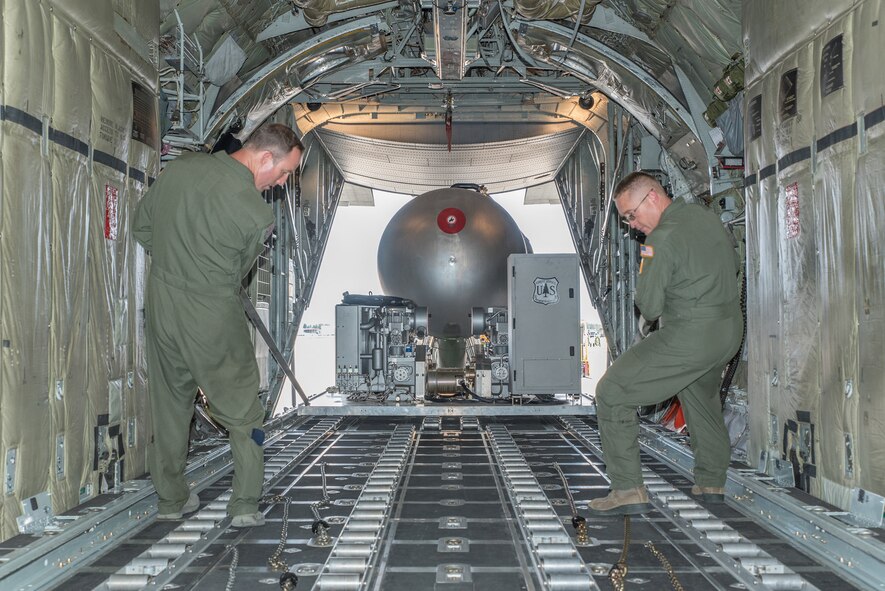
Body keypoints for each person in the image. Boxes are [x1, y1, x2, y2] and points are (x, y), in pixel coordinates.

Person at [133, 123, 303, 527]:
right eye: (282, 174)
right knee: (245, 414)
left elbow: (142, 228)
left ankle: (171, 500)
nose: (279, 185)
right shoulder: (255, 213)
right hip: (212, 313)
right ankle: (244, 505)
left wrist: (178, 262)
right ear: (265, 158)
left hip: (163, 304)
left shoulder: (179, 169)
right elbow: (238, 274)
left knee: (171, 404)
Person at [588, 171, 743, 516]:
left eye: (631, 215)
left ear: (653, 197)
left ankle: (627, 488)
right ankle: (711, 482)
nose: (631, 225)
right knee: (699, 397)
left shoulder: (662, 237)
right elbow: (734, 264)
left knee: (612, 393)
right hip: (727, 333)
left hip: (690, 334)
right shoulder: (705, 218)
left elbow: (651, 304)